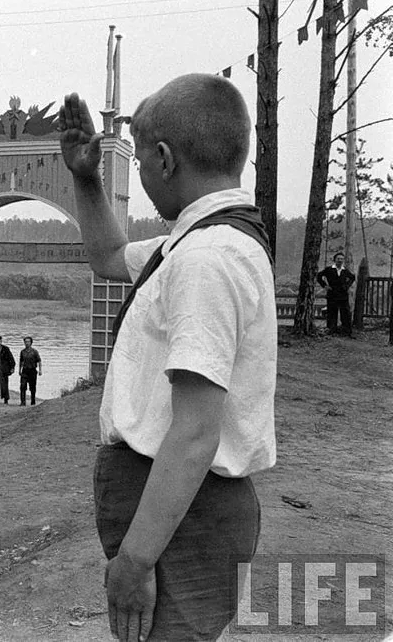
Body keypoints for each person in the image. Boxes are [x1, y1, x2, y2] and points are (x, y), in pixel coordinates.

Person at [60, 74, 276, 641]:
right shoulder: (195, 240)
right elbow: (107, 256)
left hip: (184, 517)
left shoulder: (208, 256)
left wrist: (134, 559)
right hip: (178, 511)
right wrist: (87, 180)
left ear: (163, 158)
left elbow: (196, 431)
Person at [316, 252, 356, 336]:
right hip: (332, 295)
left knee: (345, 313)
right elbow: (319, 276)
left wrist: (346, 286)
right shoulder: (329, 269)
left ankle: (346, 331)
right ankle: (331, 331)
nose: (340, 261)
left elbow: (352, 277)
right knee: (331, 313)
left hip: (343, 295)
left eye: (342, 259)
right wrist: (325, 286)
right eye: (338, 259)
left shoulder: (345, 270)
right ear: (335, 260)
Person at [18, 336, 42, 406]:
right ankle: (23, 402)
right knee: (22, 386)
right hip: (25, 371)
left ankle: (33, 401)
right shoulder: (22, 352)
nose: (27, 343)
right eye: (25, 342)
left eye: (28, 342)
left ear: (31, 343)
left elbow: (39, 361)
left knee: (32, 387)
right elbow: (21, 361)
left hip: (32, 371)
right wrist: (19, 370)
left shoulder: (34, 351)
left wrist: (40, 370)